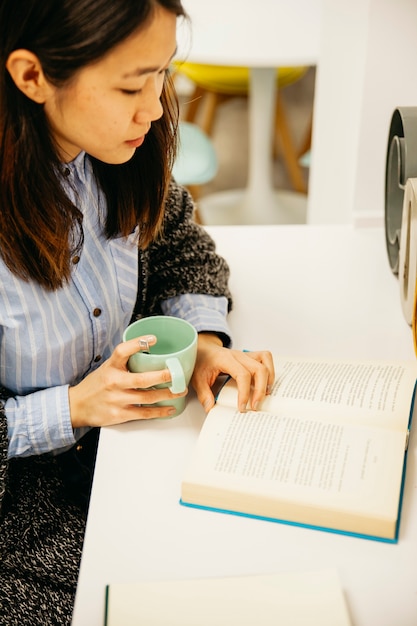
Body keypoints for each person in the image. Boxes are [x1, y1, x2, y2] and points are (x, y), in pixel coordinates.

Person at [0, 0, 275, 623]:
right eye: (131, 84)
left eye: (162, 73)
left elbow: (178, 241)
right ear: (32, 76)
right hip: (24, 506)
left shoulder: (113, 151)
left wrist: (203, 339)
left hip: (131, 450)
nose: (154, 108)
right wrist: (70, 408)